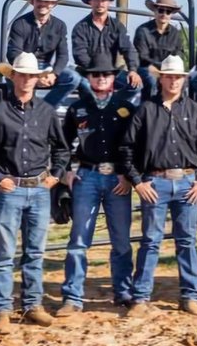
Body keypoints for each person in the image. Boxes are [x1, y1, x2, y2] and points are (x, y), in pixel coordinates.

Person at [0, 53, 70, 334]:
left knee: (35, 252)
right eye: (22, 74)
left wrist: (56, 175)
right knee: (4, 252)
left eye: (32, 75)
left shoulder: (47, 112)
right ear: (12, 77)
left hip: (39, 189)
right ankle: (2, 309)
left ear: (38, 79)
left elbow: (62, 148)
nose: (27, 79)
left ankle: (33, 305)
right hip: (11, 187)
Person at [121, 55, 197, 317]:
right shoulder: (146, 110)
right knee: (151, 240)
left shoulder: (195, 111)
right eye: (169, 76)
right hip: (155, 182)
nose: (174, 81)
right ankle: (141, 297)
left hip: (187, 182)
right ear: (161, 78)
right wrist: (138, 182)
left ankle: (190, 295)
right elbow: (127, 148)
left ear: (184, 80)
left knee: (186, 240)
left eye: (178, 77)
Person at [57, 52, 138, 316]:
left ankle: (123, 291)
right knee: (79, 239)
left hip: (117, 178)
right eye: (95, 74)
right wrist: (67, 170)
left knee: (121, 239)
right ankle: (72, 297)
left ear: (114, 77)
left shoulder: (126, 107)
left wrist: (128, 175)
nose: (101, 78)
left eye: (105, 74)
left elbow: (135, 144)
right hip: (87, 176)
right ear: (88, 78)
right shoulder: (76, 108)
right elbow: (62, 143)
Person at [5, 0, 80, 105]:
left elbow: (63, 55)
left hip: (47, 68)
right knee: (10, 78)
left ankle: (44, 109)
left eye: (47, 1)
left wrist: (54, 74)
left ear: (53, 4)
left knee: (73, 78)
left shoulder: (59, 26)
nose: (43, 4)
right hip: (24, 67)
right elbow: (13, 52)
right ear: (32, 2)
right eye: (39, 0)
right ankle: (18, 108)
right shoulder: (20, 23)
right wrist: (32, 74)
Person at [71, 0, 142, 104]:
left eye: (103, 0)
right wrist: (97, 72)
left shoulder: (117, 26)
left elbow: (128, 48)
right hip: (88, 73)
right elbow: (79, 54)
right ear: (90, 2)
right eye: (96, 0)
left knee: (136, 85)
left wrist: (133, 70)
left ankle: (111, 104)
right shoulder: (80, 28)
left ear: (109, 2)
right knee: (84, 85)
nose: (100, 3)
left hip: (111, 72)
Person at [134, 0, 188, 102]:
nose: (164, 14)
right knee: (151, 80)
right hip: (147, 68)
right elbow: (142, 58)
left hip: (169, 71)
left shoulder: (176, 34)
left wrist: (165, 72)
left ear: (171, 14)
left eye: (168, 11)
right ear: (155, 11)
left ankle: (180, 111)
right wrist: (159, 71)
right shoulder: (142, 31)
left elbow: (179, 56)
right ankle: (150, 111)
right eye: (161, 10)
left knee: (186, 82)